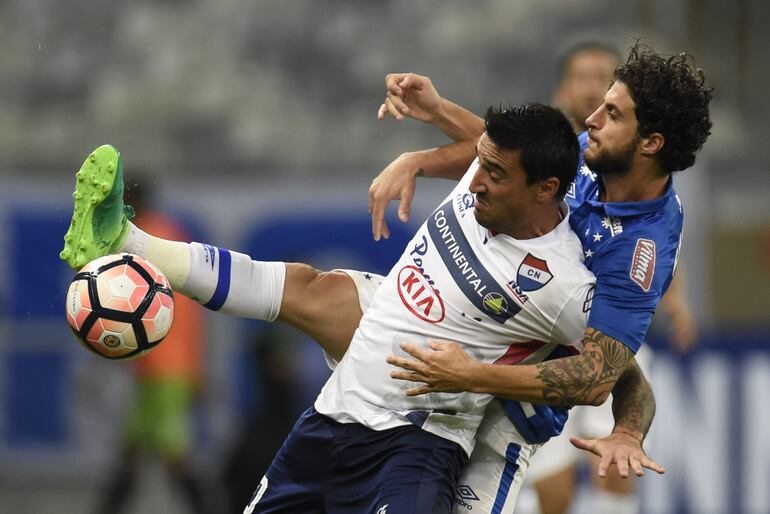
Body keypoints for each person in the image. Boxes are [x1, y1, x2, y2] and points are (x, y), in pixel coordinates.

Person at [60, 104, 660, 514]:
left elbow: (617, 372)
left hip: (414, 445)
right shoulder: (484, 178)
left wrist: (628, 428)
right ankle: (127, 243)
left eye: (494, 174)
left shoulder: (561, 284)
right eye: (479, 162)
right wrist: (416, 156)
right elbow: (479, 149)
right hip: (330, 418)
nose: (475, 180)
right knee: (306, 286)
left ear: (545, 190)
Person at [373, 40, 711, 511]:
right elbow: (510, 162)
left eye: (612, 113)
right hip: (482, 345)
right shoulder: (595, 157)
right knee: (320, 292)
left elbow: (601, 378)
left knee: (566, 488)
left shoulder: (641, 251)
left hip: (523, 397)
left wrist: (475, 376)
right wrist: (427, 135)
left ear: (651, 143)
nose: (591, 118)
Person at [92, 181, 208, 514]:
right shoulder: (171, 233)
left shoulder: (139, 240)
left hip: (165, 366)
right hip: (164, 364)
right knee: (132, 450)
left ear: (130, 202)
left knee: (175, 453)